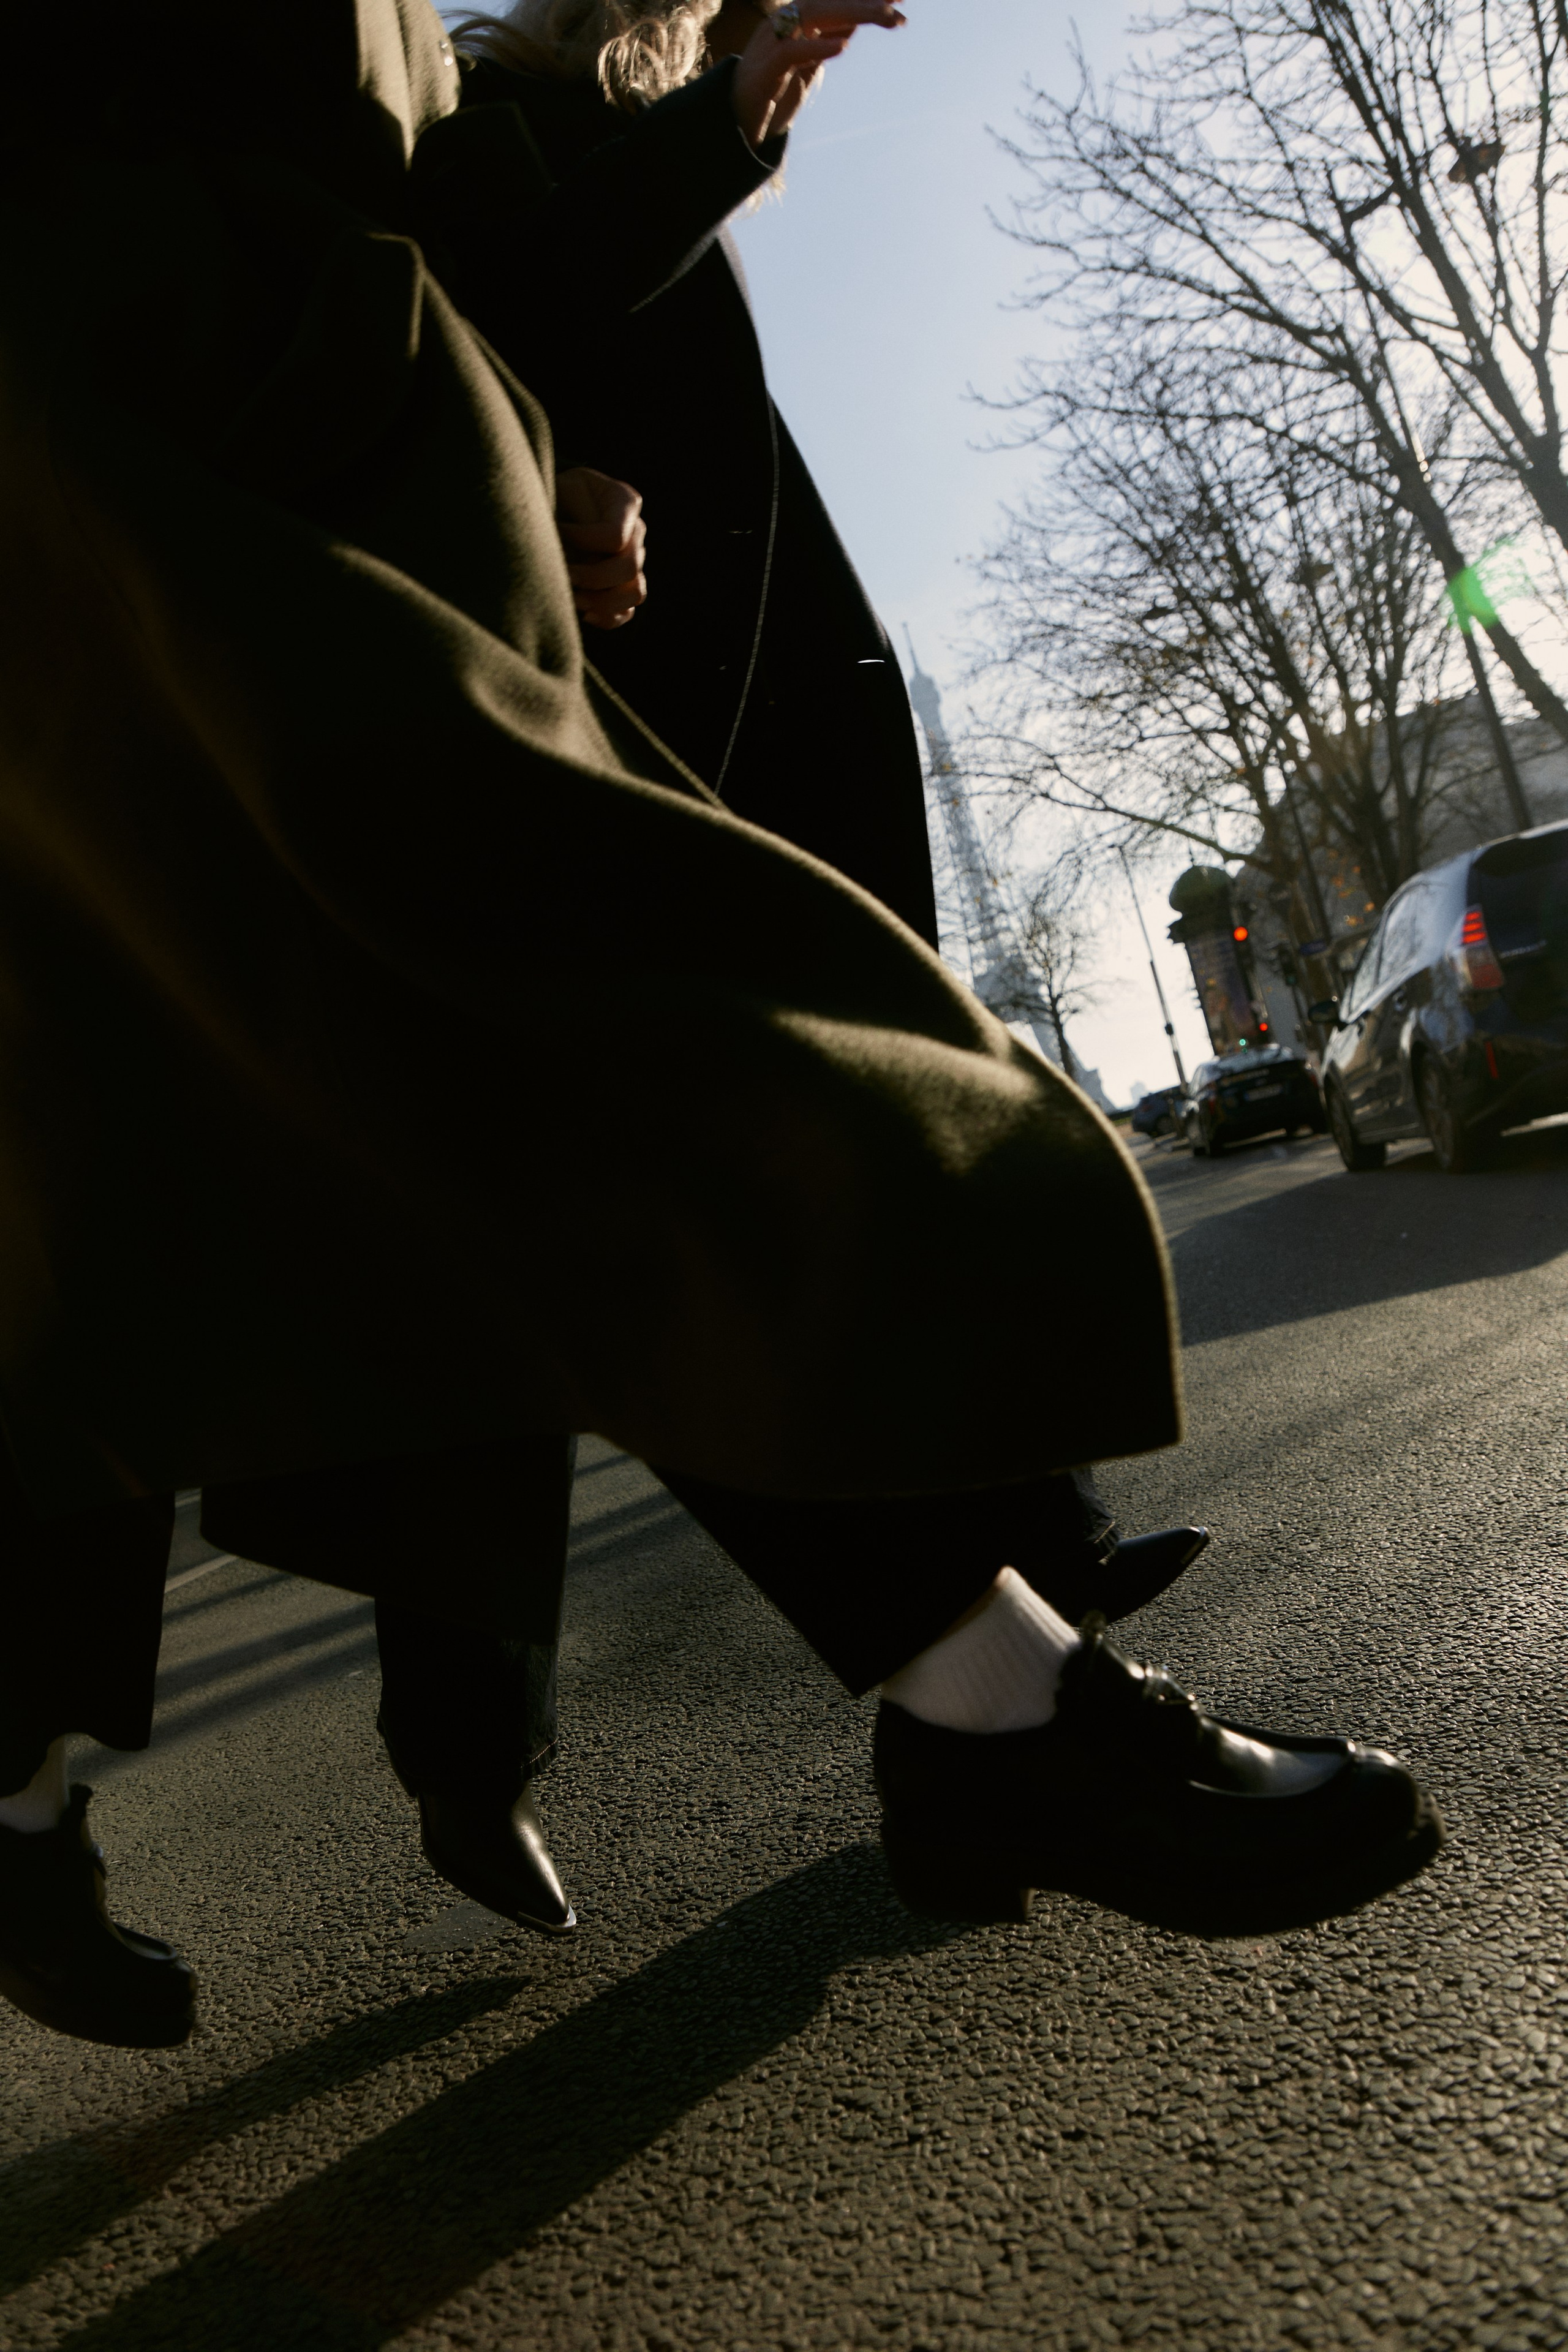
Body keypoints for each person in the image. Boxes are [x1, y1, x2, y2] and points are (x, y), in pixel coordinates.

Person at [0, 0, 1439, 2054]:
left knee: (181, 1157)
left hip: (281, 409)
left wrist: (522, 426)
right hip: (163, 406)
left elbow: (427, 190)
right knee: (538, 1034)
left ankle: (973, 1694)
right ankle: (977, 1701)